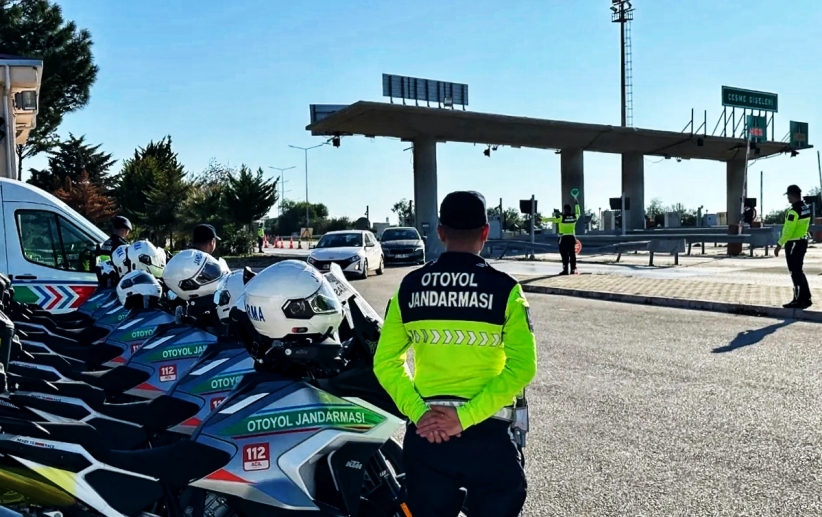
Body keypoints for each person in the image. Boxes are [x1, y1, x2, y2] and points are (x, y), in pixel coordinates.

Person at [373, 190, 538, 517]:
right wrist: (464, 417)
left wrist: (420, 414)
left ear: (441, 232)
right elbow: (523, 367)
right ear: (485, 232)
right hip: (490, 437)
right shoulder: (506, 290)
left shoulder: (410, 287)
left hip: (429, 438)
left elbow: (386, 362)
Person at [775, 184, 812, 309]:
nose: (788, 198)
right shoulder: (806, 208)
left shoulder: (793, 211)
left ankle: (798, 299)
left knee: (795, 272)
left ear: (793, 195)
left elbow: (788, 231)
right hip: (803, 241)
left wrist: (779, 244)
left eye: (789, 196)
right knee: (799, 271)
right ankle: (806, 298)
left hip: (793, 243)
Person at [546, 195, 581, 275]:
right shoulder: (574, 217)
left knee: (564, 254)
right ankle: (573, 269)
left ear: (564, 210)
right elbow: (578, 213)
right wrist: (577, 204)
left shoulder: (561, 218)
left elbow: (552, 219)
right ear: (570, 210)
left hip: (563, 238)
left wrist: (542, 219)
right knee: (572, 254)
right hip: (572, 238)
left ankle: (565, 270)